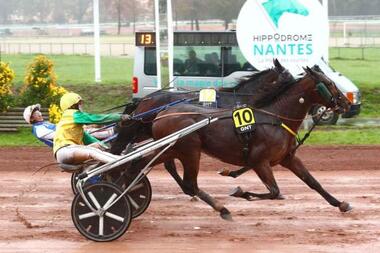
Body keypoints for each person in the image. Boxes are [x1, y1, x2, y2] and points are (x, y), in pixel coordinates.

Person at [53, 92, 130, 165]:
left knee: (96, 146)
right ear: (72, 105)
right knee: (93, 151)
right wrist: (119, 117)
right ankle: (123, 161)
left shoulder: (71, 125)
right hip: (65, 150)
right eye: (78, 104)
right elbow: (96, 119)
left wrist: (106, 148)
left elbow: (88, 139)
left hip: (69, 151)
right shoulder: (72, 114)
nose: (80, 106)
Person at [23, 104, 115, 147]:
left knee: (94, 128)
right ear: (31, 119)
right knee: (94, 132)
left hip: (71, 138)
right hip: (67, 144)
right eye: (36, 113)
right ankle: (113, 133)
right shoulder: (38, 129)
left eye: (38, 111)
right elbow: (60, 134)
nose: (39, 113)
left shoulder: (44, 124)